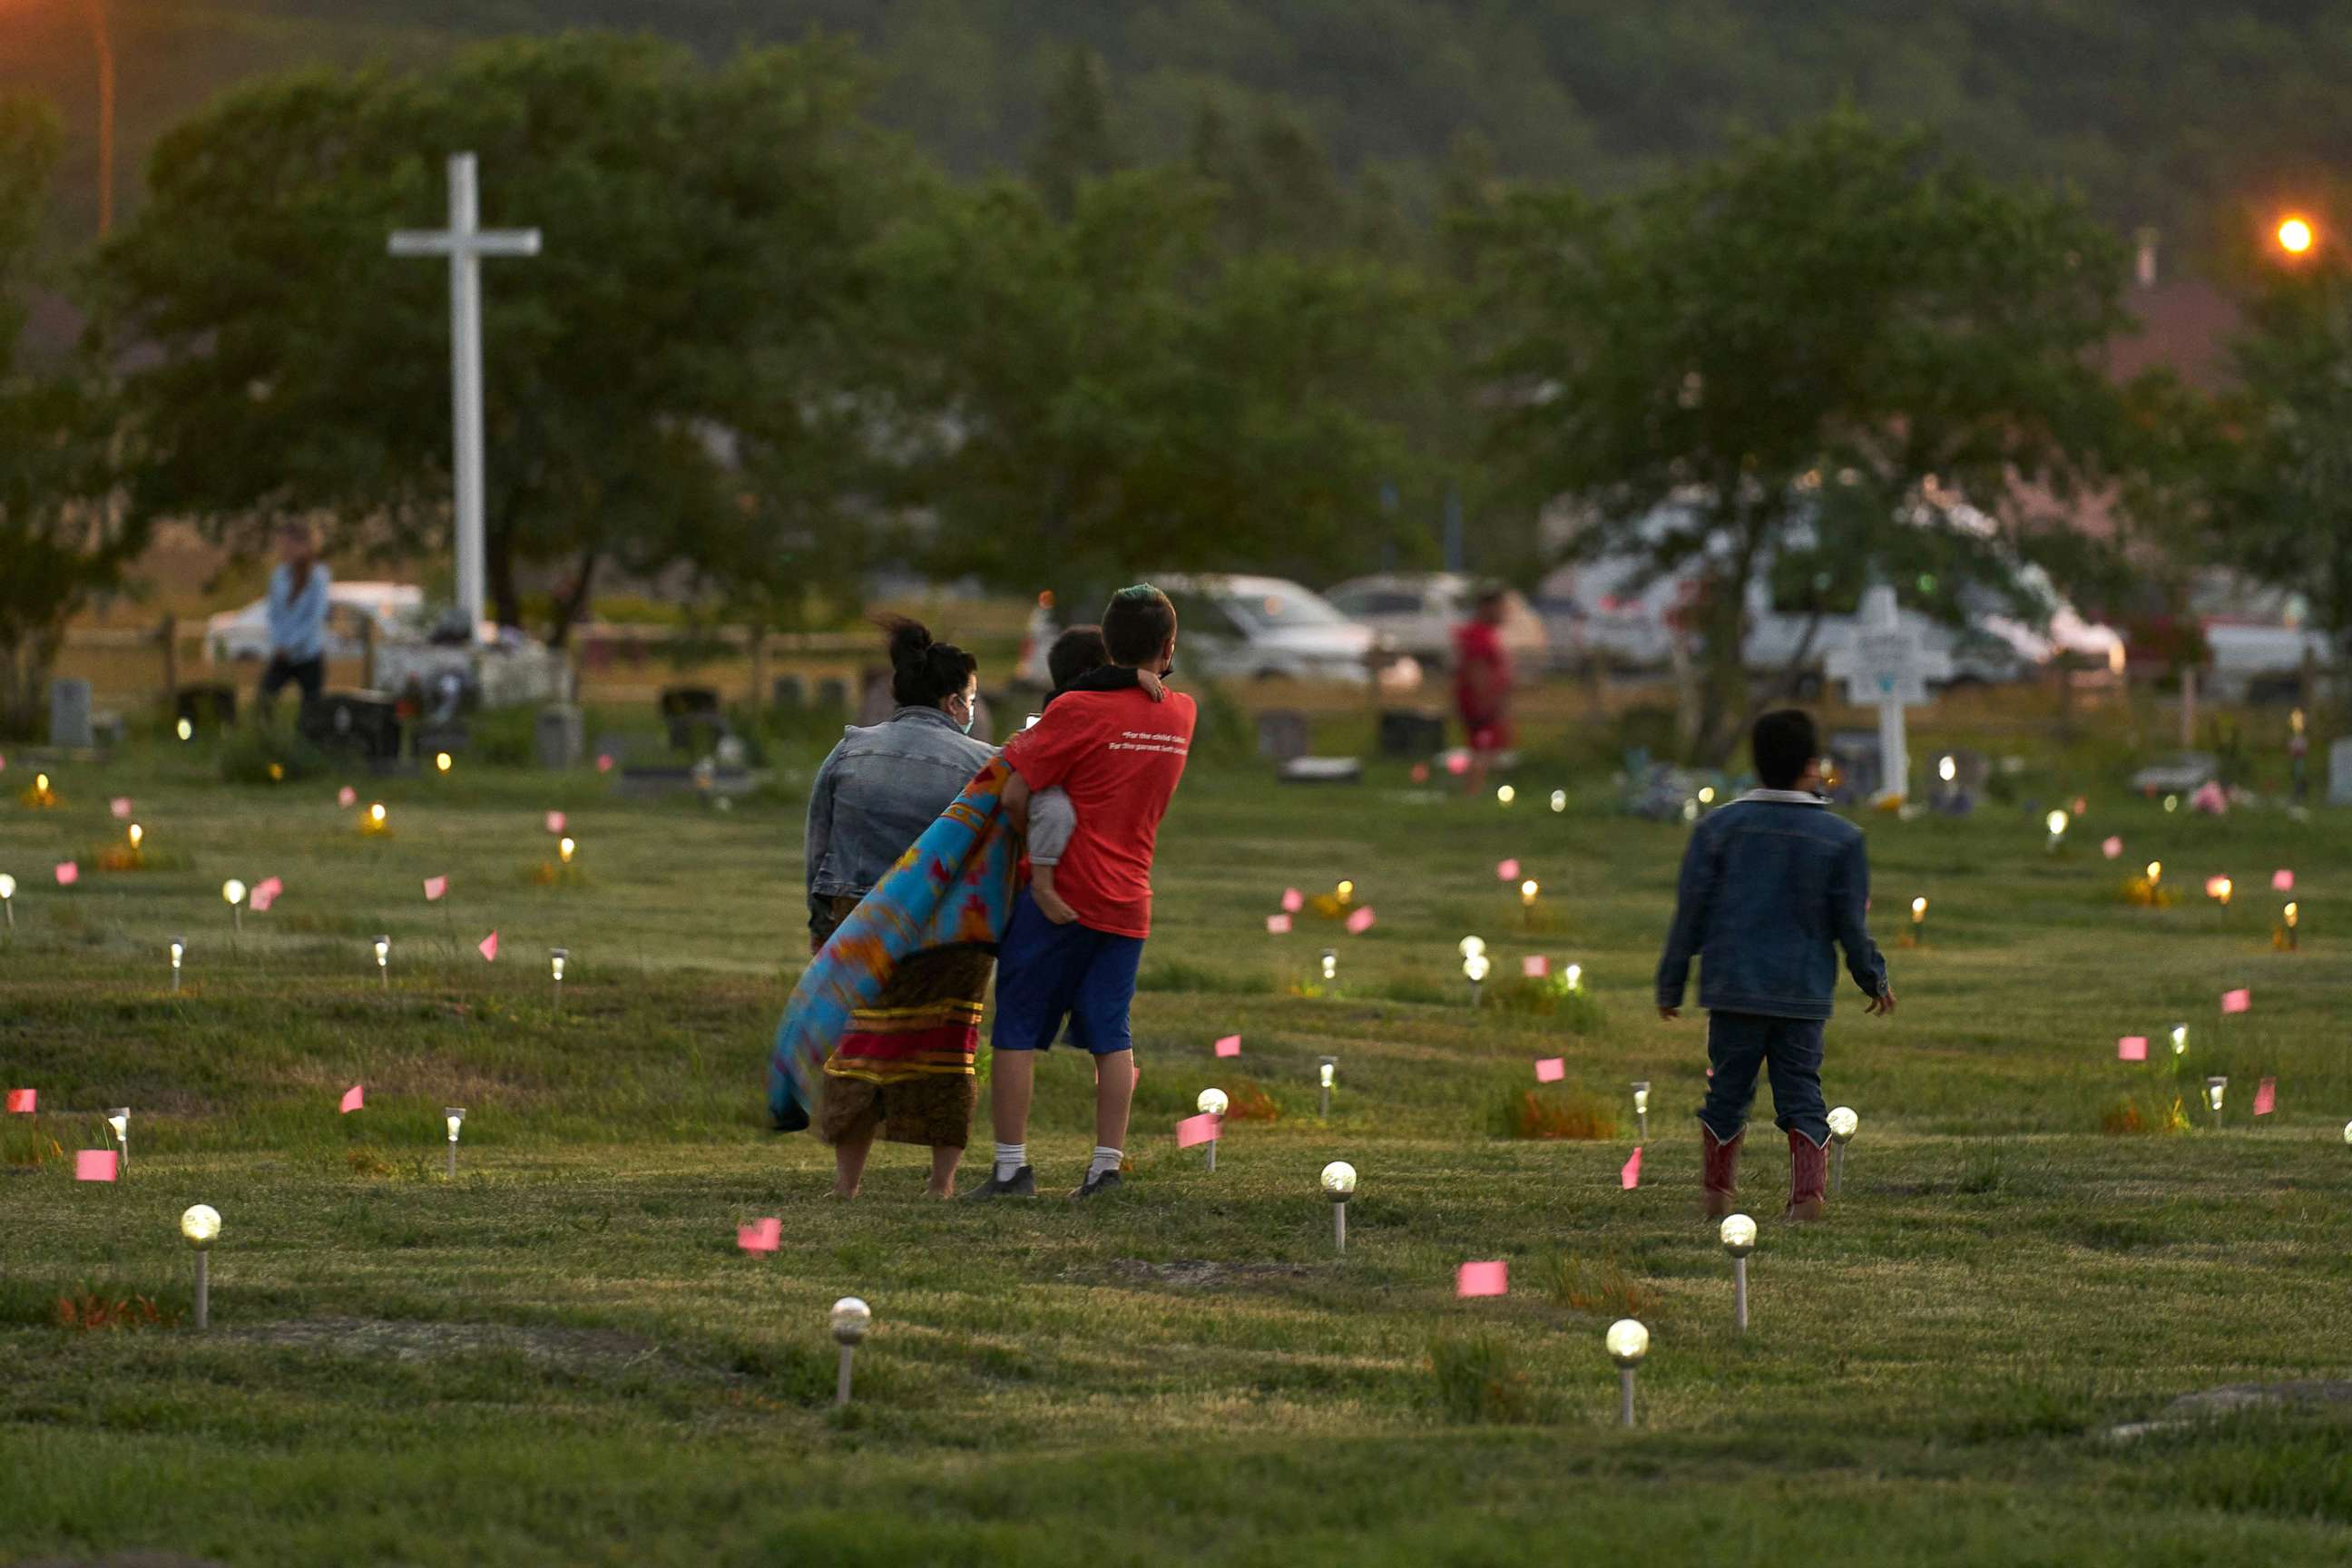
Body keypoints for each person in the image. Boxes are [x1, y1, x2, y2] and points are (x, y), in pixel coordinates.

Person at [970, 585, 1195, 1200]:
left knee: (1016, 1028)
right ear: (1168, 647)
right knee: (1111, 1036)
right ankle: (1105, 1168)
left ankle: (1012, 1169)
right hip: (1129, 899)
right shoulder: (1182, 714)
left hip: (1059, 895)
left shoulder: (1076, 712)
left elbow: (1016, 792)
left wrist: (1031, 854)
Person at [1654, 709, 1895, 1222]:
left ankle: (1717, 1198)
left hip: (1734, 987)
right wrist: (1872, 976)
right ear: (1812, 766)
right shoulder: (1841, 839)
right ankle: (1807, 1201)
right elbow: (1850, 923)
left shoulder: (1718, 829)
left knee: (1726, 1092)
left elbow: (1691, 912)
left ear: (1755, 761)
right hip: (1801, 991)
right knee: (1803, 1093)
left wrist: (1671, 981)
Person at [801, 617, 995, 1198]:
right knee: (947, 1047)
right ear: (953, 700)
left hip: (859, 919)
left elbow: (819, 844)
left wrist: (820, 927)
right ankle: (941, 1183)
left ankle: (847, 1183)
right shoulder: (983, 763)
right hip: (949, 932)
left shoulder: (849, 748)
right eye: (971, 697)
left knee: (860, 1043)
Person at [1027, 624, 1165, 926]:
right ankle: (1043, 884)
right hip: (1050, 795)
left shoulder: (1082, 702)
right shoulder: (1065, 700)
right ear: (1093, 670)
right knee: (1056, 811)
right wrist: (1131, 676)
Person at [258, 522, 331, 719]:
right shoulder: (279, 576)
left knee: (311, 709)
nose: (285, 550)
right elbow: (273, 614)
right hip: (282, 654)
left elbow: (316, 617)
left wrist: (291, 644)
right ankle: (266, 741)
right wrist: (279, 643)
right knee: (264, 698)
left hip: (309, 653)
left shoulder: (318, 576)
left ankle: (305, 747)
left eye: (290, 545)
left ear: (305, 545)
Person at [1452, 584, 1514, 794]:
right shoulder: (1478, 635)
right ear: (1487, 607)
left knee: (1490, 751)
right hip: (1481, 704)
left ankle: (1482, 792)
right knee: (1482, 751)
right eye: (1501, 607)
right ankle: (1472, 795)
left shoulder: (1486, 634)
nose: (1505, 613)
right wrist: (1487, 702)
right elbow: (1476, 670)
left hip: (1486, 702)